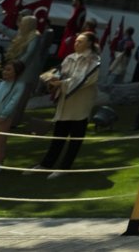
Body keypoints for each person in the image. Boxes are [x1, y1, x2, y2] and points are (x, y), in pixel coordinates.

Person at [31, 32, 100, 178]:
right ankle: (46, 164)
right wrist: (53, 79)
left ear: (89, 43)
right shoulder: (70, 58)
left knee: (75, 136)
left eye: (80, 41)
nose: (76, 43)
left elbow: (85, 79)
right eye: (76, 41)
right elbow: (63, 72)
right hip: (65, 101)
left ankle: (64, 167)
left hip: (81, 102)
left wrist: (61, 83)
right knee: (59, 134)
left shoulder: (94, 60)